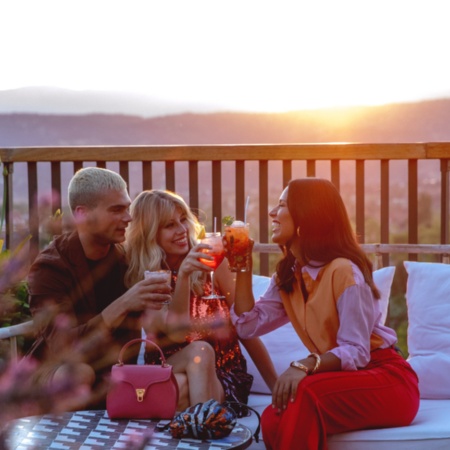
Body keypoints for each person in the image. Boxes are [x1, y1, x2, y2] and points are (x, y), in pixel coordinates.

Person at [229, 178, 420, 450]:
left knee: (303, 392)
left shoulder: (344, 271)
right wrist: (242, 264)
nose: (272, 212)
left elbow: (356, 350)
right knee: (273, 416)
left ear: (305, 218)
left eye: (282, 205)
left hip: (386, 379)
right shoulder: (288, 275)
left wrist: (304, 365)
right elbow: (247, 326)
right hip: (343, 379)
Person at [27, 167, 171, 409]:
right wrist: (124, 303)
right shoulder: (49, 268)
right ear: (82, 215)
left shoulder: (126, 259)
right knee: (79, 373)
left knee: (193, 361)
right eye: (116, 210)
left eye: (127, 207)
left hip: (114, 370)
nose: (128, 217)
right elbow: (65, 348)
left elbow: (158, 330)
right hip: (56, 373)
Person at [124, 189, 277, 414]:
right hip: (166, 370)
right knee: (199, 354)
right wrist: (184, 276)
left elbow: (243, 326)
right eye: (169, 225)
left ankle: (194, 427)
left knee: (195, 365)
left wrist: (276, 387)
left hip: (222, 375)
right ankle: (204, 430)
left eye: (183, 219)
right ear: (150, 234)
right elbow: (176, 333)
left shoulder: (212, 262)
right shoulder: (147, 277)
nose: (182, 230)